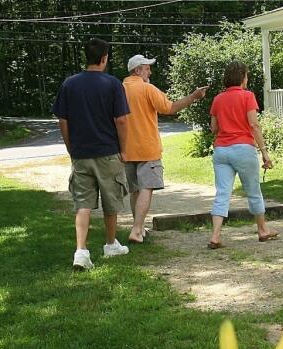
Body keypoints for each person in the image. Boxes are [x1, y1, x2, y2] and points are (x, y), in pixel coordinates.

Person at [52, 38, 131, 271]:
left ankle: (81, 251)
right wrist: (124, 149)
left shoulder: (69, 84)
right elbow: (122, 120)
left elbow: (62, 120)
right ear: (104, 58)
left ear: (86, 57)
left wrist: (70, 147)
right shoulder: (113, 84)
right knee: (111, 199)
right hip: (108, 152)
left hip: (81, 154)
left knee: (83, 203)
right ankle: (110, 244)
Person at [122, 54, 208, 244]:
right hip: (147, 148)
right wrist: (194, 96)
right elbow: (170, 108)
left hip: (125, 149)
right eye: (147, 68)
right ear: (138, 70)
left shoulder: (119, 89)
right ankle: (136, 230)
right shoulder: (147, 89)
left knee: (135, 190)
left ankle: (138, 227)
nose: (150, 71)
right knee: (147, 187)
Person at [207, 61, 276, 249]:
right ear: (242, 77)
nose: (247, 79)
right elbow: (254, 125)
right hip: (243, 149)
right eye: (246, 75)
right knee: (253, 191)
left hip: (221, 150)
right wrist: (264, 152)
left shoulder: (217, 99)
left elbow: (214, 128)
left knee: (222, 193)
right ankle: (262, 230)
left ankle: (215, 235)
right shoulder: (248, 96)